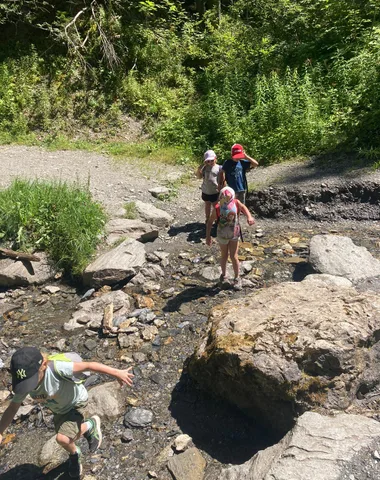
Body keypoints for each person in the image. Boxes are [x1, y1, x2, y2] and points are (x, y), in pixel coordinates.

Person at [0, 347, 134, 478]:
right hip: (59, 410)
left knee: (63, 438)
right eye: (24, 384)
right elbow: (13, 408)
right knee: (65, 440)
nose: (29, 387)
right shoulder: (25, 383)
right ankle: (75, 451)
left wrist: (117, 373)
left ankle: (90, 426)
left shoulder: (57, 368)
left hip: (76, 404)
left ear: (44, 365)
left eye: (31, 381)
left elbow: (89, 365)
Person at [206, 186, 255, 290]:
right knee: (224, 255)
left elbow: (244, 208)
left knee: (233, 256)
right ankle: (224, 276)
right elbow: (210, 222)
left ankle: (237, 277)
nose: (226, 202)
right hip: (223, 234)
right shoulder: (218, 208)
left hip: (234, 234)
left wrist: (249, 217)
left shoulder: (236, 203)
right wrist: (208, 236)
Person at [196, 149, 223, 223]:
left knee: (216, 206)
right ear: (205, 161)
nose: (210, 162)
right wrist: (201, 167)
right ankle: (207, 218)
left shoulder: (219, 168)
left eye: (212, 160)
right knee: (207, 205)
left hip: (215, 191)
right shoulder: (204, 168)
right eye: (208, 161)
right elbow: (199, 176)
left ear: (215, 159)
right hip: (206, 191)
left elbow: (222, 179)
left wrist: (222, 187)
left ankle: (217, 219)